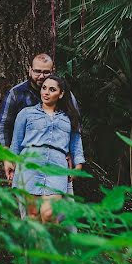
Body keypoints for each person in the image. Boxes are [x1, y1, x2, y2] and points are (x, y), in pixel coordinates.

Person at [8, 73, 85, 223]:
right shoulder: (26, 113)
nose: (46, 92)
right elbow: (16, 143)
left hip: (57, 167)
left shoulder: (69, 118)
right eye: (44, 88)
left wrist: (79, 165)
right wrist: (10, 163)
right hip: (29, 166)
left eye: (52, 89)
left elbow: (76, 143)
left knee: (50, 215)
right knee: (33, 218)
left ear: (61, 94)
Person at [0, 53, 79, 183]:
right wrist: (7, 158)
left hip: (57, 163)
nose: (41, 76)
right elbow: (4, 127)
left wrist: (71, 155)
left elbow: (75, 127)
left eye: (46, 72)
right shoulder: (17, 94)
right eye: (37, 71)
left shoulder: (65, 95)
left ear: (53, 70)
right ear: (30, 70)